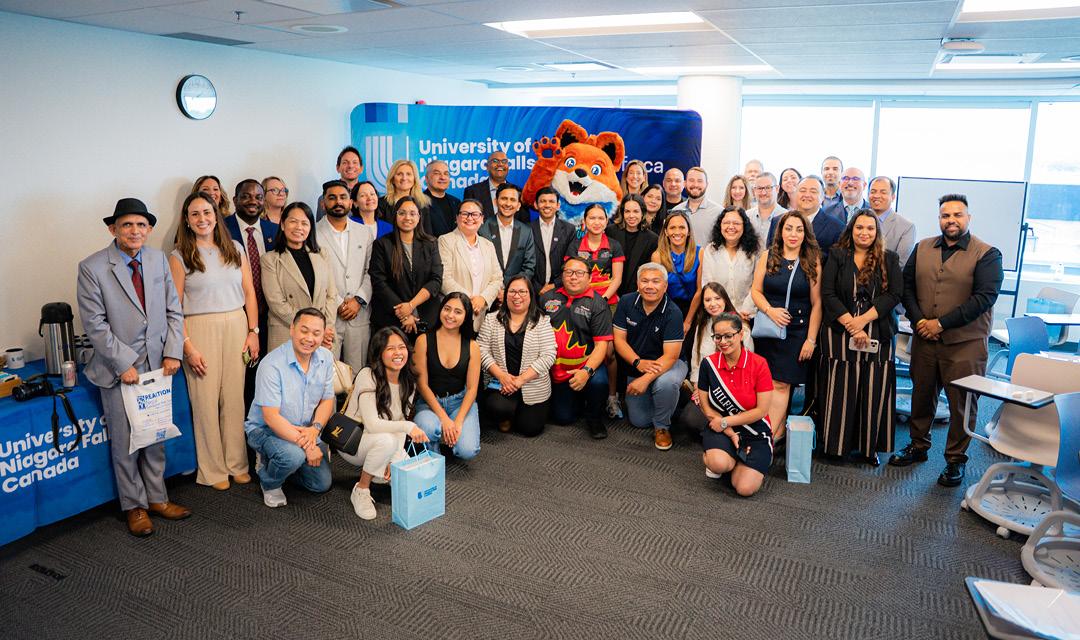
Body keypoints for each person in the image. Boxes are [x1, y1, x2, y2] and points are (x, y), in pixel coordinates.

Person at [77, 198, 191, 536]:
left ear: (149, 229)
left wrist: (173, 352)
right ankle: (134, 506)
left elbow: (173, 310)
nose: (135, 231)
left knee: (155, 436)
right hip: (119, 371)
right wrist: (122, 362)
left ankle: (157, 498)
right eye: (127, 224)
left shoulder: (157, 259)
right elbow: (95, 324)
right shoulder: (92, 267)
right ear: (113, 229)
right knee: (126, 443)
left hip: (158, 366)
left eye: (141, 225)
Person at [890, 194, 1003, 488]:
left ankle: (955, 459)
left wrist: (941, 324)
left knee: (962, 404)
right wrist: (919, 321)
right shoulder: (923, 247)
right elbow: (906, 288)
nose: (951, 220)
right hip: (925, 339)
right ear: (939, 219)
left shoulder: (988, 254)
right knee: (921, 394)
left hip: (965, 344)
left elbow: (984, 298)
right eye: (945, 215)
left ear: (968, 218)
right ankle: (918, 445)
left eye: (957, 215)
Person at [169, 192, 260, 490]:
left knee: (234, 398)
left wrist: (253, 331)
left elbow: (249, 292)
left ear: (216, 215)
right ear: (186, 220)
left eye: (207, 212)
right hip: (199, 328)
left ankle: (237, 463)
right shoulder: (180, 255)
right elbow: (174, 307)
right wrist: (187, 346)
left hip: (236, 324)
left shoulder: (234, 248)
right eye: (195, 214)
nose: (202, 219)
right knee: (205, 401)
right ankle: (212, 469)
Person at [817, 210, 903, 465]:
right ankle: (836, 446)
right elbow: (828, 293)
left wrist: (863, 321)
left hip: (878, 331)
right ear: (851, 230)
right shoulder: (837, 255)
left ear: (877, 232)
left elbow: (894, 294)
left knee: (873, 389)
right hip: (839, 331)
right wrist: (852, 325)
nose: (864, 233)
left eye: (870, 228)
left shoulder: (889, 258)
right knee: (840, 390)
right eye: (859, 228)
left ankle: (869, 448)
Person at [244, 308, 335, 508]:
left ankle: (282, 463)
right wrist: (308, 446)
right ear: (292, 329)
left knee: (321, 484)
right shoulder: (272, 364)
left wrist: (315, 429)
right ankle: (269, 481)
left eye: (316, 333)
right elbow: (271, 418)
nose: (309, 338)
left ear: (323, 335)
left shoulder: (326, 358)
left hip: (305, 430)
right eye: (304, 330)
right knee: (292, 456)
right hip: (266, 429)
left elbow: (327, 399)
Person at [338, 327, 430, 519]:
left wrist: (393, 458)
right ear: (379, 353)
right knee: (386, 442)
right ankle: (361, 489)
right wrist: (408, 428)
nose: (398, 353)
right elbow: (372, 425)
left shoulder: (408, 380)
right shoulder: (368, 375)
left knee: (413, 482)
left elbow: (401, 421)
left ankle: (380, 468)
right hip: (354, 441)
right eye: (390, 348)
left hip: (386, 441)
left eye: (401, 347)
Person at [751, 211, 822, 443]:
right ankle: (777, 433)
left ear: (805, 234)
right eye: (789, 228)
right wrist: (770, 310)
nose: (793, 234)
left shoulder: (812, 260)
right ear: (780, 231)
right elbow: (756, 291)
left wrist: (811, 340)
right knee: (767, 383)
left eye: (799, 229)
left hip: (797, 333)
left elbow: (817, 304)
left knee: (782, 384)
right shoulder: (768, 256)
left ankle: (767, 438)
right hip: (768, 329)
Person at [697, 313, 775, 497]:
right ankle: (725, 459)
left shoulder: (759, 364)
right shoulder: (708, 364)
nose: (723, 342)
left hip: (754, 429)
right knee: (719, 464)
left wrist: (726, 422)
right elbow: (705, 405)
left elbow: (761, 411)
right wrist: (729, 431)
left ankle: (740, 460)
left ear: (741, 334)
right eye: (718, 337)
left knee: (744, 488)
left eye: (728, 336)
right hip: (721, 428)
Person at [613, 263, 688, 451]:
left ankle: (662, 427)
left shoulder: (673, 312)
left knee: (666, 383)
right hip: (638, 363)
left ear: (665, 286)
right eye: (645, 281)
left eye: (656, 281)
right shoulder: (626, 302)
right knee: (640, 421)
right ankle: (674, 399)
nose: (650, 286)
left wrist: (645, 379)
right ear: (638, 284)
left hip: (670, 363)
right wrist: (637, 362)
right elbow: (619, 340)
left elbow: (670, 356)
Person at [541, 258, 613, 439]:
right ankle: (578, 400)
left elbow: (601, 345)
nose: (573, 277)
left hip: (586, 365)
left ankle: (594, 416)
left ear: (589, 278)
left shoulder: (598, 304)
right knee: (563, 418)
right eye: (569, 272)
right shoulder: (547, 298)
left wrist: (586, 372)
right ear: (562, 275)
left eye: (580, 273)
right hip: (555, 368)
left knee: (599, 382)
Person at [224, 179, 279, 410]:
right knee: (240, 379)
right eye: (246, 196)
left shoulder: (274, 231)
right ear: (235, 200)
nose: (252, 201)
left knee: (267, 375)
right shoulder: (222, 229)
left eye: (258, 197)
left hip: (270, 316)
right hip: (236, 316)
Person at [478, 275, 556, 437]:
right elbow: (481, 349)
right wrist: (501, 376)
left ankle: (519, 412)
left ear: (530, 295)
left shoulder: (542, 321)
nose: (517, 296)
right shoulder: (492, 319)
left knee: (530, 429)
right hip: (501, 383)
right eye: (512, 291)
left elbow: (549, 355)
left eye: (522, 291)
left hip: (532, 385)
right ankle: (506, 416)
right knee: (497, 408)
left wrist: (520, 380)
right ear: (505, 295)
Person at [677, 284, 755, 437]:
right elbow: (696, 360)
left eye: (717, 298)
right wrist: (698, 386)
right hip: (706, 387)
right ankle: (720, 430)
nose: (712, 303)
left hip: (733, 390)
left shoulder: (741, 328)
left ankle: (725, 431)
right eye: (707, 300)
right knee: (689, 420)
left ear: (725, 300)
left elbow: (748, 366)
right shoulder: (702, 325)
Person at [412, 293, 482, 460]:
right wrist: (444, 419)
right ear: (440, 310)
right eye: (447, 309)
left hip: (459, 402)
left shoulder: (473, 346)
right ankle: (434, 443)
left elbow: (472, 389)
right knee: (428, 428)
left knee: (467, 450)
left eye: (458, 312)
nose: (450, 315)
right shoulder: (423, 340)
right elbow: (422, 385)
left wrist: (457, 421)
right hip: (429, 403)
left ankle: (447, 436)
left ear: (466, 316)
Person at [262, 202, 337, 352]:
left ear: (310, 228)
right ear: (282, 225)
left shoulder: (322, 254)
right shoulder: (270, 259)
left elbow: (331, 295)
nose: (299, 227)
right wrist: (310, 327)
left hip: (320, 336)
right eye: (293, 222)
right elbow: (276, 303)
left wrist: (325, 326)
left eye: (304, 223)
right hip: (286, 332)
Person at [315, 180, 374, 370]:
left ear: (350, 202)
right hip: (328, 316)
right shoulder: (313, 233)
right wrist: (339, 302)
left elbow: (371, 271)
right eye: (332, 198)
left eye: (343, 197)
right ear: (323, 203)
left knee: (357, 375)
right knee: (327, 375)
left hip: (359, 315)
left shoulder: (364, 232)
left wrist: (358, 300)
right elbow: (316, 275)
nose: (338, 202)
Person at [369, 196, 443, 336]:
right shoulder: (382, 244)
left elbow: (436, 280)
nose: (407, 217)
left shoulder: (431, 243)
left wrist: (411, 305)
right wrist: (404, 314)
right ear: (395, 216)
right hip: (391, 320)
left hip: (426, 318)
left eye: (412, 213)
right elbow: (379, 281)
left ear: (419, 217)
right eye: (402, 213)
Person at [439, 199, 503, 332]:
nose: (470, 218)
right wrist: (469, 301)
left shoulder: (488, 245)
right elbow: (445, 278)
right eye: (465, 214)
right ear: (457, 218)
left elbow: (497, 278)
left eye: (475, 214)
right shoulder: (445, 241)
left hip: (481, 315)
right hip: (453, 314)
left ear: (482, 219)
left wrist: (483, 299)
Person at [700, 206, 760, 321]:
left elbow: (757, 285)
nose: (731, 227)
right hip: (718, 315)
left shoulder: (753, 251)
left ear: (744, 226)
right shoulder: (711, 250)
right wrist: (724, 313)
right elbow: (708, 284)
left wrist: (744, 310)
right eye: (726, 223)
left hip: (746, 315)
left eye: (736, 223)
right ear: (720, 226)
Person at [768, 176, 845, 262]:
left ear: (823, 197)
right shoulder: (777, 221)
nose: (807, 195)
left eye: (813, 191)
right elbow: (770, 257)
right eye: (802, 190)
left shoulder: (837, 227)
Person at [562, 203, 624, 305]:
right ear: (584, 221)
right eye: (592, 218)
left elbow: (617, 279)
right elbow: (569, 276)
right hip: (579, 300)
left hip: (608, 301)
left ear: (606, 221)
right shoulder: (574, 246)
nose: (597, 222)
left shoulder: (615, 245)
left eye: (601, 218)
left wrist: (603, 300)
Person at [651, 211, 702, 332]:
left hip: (693, 311)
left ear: (688, 232)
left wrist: (688, 322)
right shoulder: (657, 256)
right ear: (666, 232)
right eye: (672, 228)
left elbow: (700, 290)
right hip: (666, 310)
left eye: (682, 227)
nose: (677, 232)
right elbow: (658, 291)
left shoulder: (700, 253)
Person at [480, 183, 536, 286]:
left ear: (518, 206)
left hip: (516, 291)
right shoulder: (482, 230)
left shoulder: (526, 231)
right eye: (504, 198)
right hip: (488, 289)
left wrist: (513, 288)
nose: (508, 203)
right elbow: (479, 265)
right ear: (496, 201)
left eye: (513, 200)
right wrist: (496, 288)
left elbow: (529, 266)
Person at [530, 186, 576, 295]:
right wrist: (538, 288)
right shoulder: (527, 229)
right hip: (533, 290)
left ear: (558, 205)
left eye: (551, 201)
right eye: (543, 201)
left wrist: (555, 284)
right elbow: (525, 262)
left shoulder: (569, 229)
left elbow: (571, 261)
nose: (547, 205)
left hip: (561, 288)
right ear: (536, 205)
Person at [867, 176, 916, 268]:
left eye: (883, 192)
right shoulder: (857, 219)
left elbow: (900, 264)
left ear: (893, 197)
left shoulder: (906, 227)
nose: (876, 196)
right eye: (873, 192)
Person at [379, 159, 433, 235]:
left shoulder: (423, 203)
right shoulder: (381, 204)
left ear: (414, 179)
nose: (404, 178)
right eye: (399, 174)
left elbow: (427, 234)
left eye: (408, 174)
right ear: (392, 179)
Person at [672, 166, 722, 244]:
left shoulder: (719, 212)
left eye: (700, 181)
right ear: (685, 184)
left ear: (706, 184)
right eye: (691, 180)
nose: (695, 184)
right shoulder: (675, 211)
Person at [317, 146, 363, 219]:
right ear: (338, 168)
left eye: (355, 162)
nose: (350, 166)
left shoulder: (371, 198)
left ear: (361, 168)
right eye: (345, 162)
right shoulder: (325, 198)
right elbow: (321, 224)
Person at [463, 150, 509, 220]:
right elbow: (469, 220)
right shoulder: (472, 192)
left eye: (504, 161)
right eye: (495, 161)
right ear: (487, 167)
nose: (500, 164)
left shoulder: (518, 192)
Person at [747, 173, 786, 251]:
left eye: (768, 188)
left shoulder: (786, 216)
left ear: (777, 189)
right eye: (759, 188)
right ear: (754, 191)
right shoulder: (747, 216)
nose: (763, 193)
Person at [423, 159, 461, 237]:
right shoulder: (419, 202)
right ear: (426, 179)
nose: (443, 177)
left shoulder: (456, 202)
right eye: (437, 173)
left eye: (446, 174)